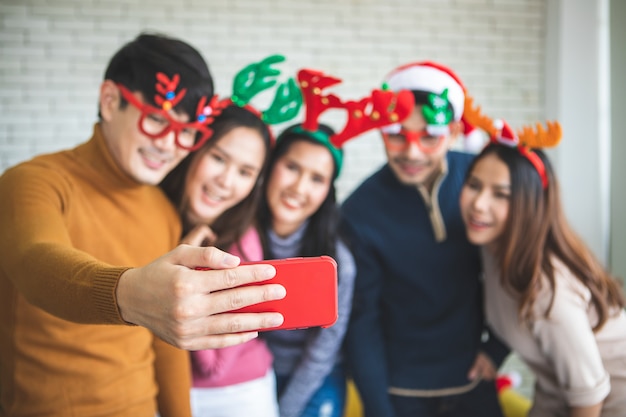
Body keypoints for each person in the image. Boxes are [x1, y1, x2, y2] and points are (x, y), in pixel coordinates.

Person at [0, 33, 286, 417]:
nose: (169, 145)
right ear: (110, 101)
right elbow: (36, 262)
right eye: (156, 120)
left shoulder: (163, 211)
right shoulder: (33, 181)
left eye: (186, 132)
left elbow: (166, 347)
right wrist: (130, 294)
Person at [341, 61, 508, 417]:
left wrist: (496, 349)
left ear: (452, 131)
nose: (412, 152)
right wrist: (379, 407)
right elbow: (361, 321)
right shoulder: (358, 212)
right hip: (399, 392)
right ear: (381, 131)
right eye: (397, 135)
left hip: (473, 383)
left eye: (429, 136)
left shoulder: (479, 180)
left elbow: (519, 264)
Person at [256, 67, 412, 417]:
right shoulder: (241, 237)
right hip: (253, 369)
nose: (299, 187)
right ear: (270, 166)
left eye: (316, 178)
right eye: (292, 167)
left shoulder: (336, 258)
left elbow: (323, 350)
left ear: (328, 191)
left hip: (316, 376)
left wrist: (285, 408)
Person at [160, 55, 302, 417]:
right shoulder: (152, 213)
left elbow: (214, 366)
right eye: (219, 158)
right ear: (195, 148)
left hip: (234, 396)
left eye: (245, 171)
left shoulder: (242, 243)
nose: (226, 181)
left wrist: (187, 268)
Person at [458, 117, 626, 417]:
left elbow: (589, 396)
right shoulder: (492, 247)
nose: (479, 204)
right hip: (555, 393)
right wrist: (492, 353)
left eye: (500, 194)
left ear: (529, 204)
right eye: (474, 185)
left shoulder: (548, 291)